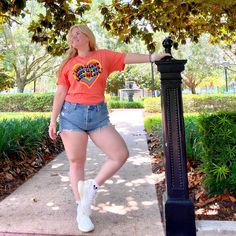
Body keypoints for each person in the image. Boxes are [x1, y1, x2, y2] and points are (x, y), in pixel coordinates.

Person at [48, 24, 170, 233]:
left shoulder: (103, 56)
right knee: (77, 162)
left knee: (120, 154)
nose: (73, 36)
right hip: (72, 114)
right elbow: (60, 93)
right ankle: (82, 210)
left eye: (78, 33)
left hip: (98, 115)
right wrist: (52, 121)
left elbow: (126, 57)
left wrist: (152, 57)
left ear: (88, 37)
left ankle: (91, 187)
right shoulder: (68, 64)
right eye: (71, 35)